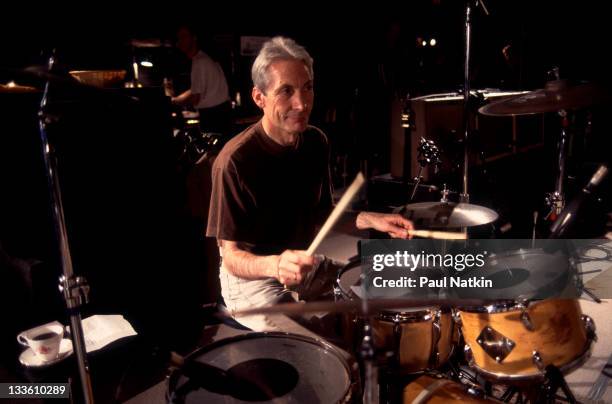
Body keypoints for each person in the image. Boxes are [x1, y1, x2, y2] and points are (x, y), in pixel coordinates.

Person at [206, 37, 414, 330]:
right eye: (286, 91)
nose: (301, 104)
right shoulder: (234, 162)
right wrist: (276, 264)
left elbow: (321, 215)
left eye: (307, 88)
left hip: (303, 265)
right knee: (324, 351)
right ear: (259, 97)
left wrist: (371, 220)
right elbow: (231, 257)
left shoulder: (316, 141)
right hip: (253, 282)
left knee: (381, 295)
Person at [171, 24, 232, 135]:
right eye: (179, 38)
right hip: (219, 113)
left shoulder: (199, 62)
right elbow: (194, 89)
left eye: (184, 36)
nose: (180, 41)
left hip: (214, 116)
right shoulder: (202, 58)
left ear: (194, 38)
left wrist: (175, 102)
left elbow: (195, 98)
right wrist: (177, 99)